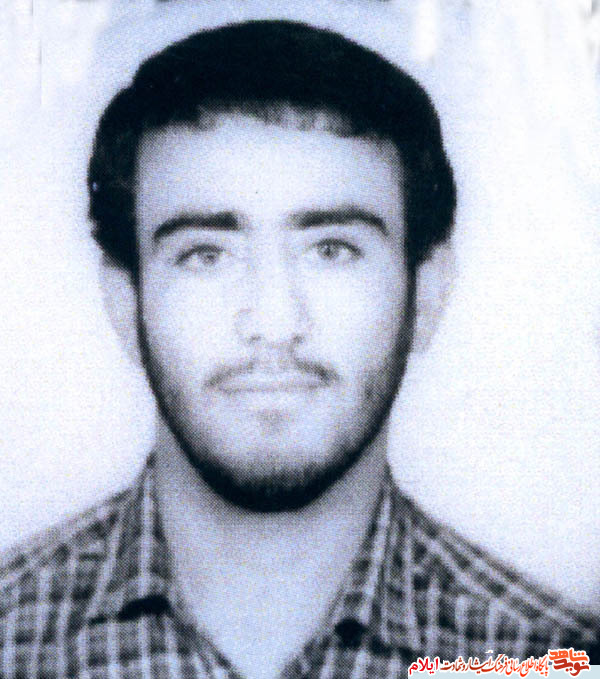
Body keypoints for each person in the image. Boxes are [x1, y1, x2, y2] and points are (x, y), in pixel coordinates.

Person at [0, 19, 596, 679]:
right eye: (205, 254)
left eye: (332, 250)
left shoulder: (547, 658)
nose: (275, 323)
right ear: (125, 302)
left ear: (426, 294)